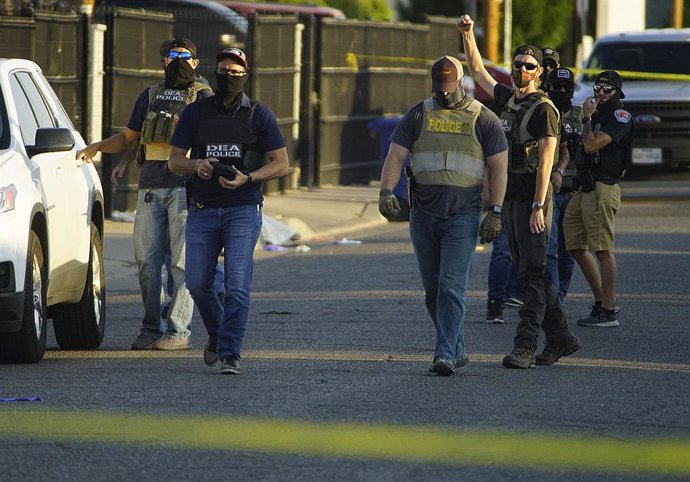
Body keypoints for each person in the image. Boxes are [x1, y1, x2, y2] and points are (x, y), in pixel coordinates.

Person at [458, 14, 581, 369]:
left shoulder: (545, 110)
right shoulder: (508, 100)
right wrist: (468, 36)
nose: (520, 70)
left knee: (532, 273)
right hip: (510, 198)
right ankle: (561, 337)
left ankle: (525, 345)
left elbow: (545, 163)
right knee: (534, 272)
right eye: (517, 65)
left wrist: (538, 207)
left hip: (531, 201)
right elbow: (479, 71)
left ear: (539, 72)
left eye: (528, 66)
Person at [77, 38, 212, 350]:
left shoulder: (203, 96)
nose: (178, 60)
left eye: (184, 56)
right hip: (150, 188)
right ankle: (150, 328)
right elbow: (129, 137)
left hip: (185, 189)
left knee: (180, 264)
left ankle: (178, 332)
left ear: (195, 62)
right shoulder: (150, 95)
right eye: (172, 55)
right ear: (162, 61)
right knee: (147, 264)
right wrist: (97, 148)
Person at [378, 54, 508, 376]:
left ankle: (445, 352)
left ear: (461, 82)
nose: (444, 93)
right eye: (439, 87)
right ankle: (457, 345)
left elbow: (499, 167)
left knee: (451, 286)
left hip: (462, 215)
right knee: (433, 291)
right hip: (423, 214)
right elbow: (395, 155)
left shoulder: (483, 118)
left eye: (449, 87)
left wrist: (495, 211)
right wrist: (385, 192)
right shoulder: (419, 114)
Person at [168, 47, 289, 375]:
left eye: (235, 72)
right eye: (222, 71)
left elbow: (281, 163)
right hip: (203, 208)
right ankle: (220, 336)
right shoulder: (196, 112)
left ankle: (231, 353)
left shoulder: (259, 114)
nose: (228, 77)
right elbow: (174, 160)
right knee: (196, 283)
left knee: (237, 286)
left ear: (245, 75)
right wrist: (198, 166)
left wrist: (248, 177)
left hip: (243, 209)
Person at [563, 70, 634, 328]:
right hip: (583, 185)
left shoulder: (619, 116)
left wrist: (586, 118)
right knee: (574, 245)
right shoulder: (596, 115)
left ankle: (608, 308)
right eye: (598, 88)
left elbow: (592, 145)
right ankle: (600, 300)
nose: (601, 94)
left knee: (602, 249)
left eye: (607, 90)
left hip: (603, 185)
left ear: (618, 93)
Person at [545, 67, 579, 301]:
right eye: (557, 87)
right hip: (550, 191)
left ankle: (560, 299)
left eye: (567, 88)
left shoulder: (581, 115)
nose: (562, 91)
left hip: (575, 193)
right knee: (550, 250)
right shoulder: (543, 112)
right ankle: (552, 300)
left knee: (570, 253)